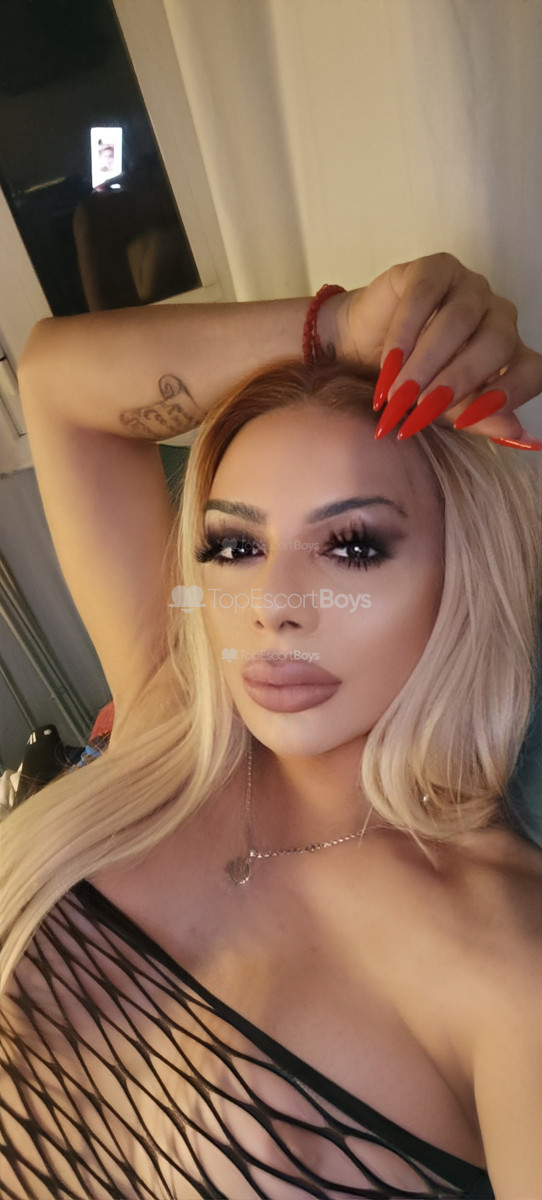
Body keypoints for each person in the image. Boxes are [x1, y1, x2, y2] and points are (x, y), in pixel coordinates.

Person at [1, 253, 541, 1199]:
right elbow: (52, 378)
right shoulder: (170, 718)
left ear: (466, 573)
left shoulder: (506, 962)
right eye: (235, 545)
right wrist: (341, 330)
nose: (272, 608)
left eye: (353, 547)